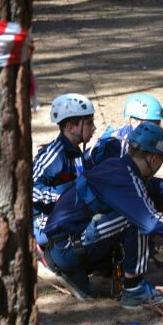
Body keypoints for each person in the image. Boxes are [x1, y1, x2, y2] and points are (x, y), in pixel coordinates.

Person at [43, 123, 163, 304]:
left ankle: (90, 272)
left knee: (145, 207)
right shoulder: (126, 178)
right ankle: (135, 290)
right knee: (135, 220)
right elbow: (149, 221)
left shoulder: (116, 166)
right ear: (154, 159)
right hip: (68, 250)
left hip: (61, 246)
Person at [86, 93, 163, 212]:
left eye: (157, 123)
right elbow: (117, 181)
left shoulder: (142, 140)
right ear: (133, 121)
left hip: (124, 180)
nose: (156, 128)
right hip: (102, 190)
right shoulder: (117, 144)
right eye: (151, 123)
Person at [33, 93, 96, 248]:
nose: (94, 128)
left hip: (65, 214)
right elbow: (30, 188)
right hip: (43, 220)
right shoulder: (55, 154)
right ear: (70, 127)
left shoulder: (76, 151)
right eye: (89, 123)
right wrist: (61, 196)